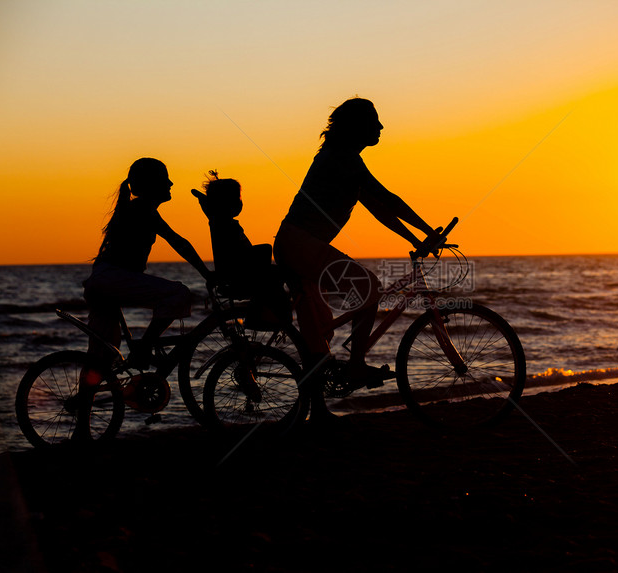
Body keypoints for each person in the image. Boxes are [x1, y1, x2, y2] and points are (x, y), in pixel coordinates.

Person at [273, 97, 439, 419]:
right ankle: (357, 365)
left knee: (318, 332)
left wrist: (416, 238)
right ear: (356, 126)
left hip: (296, 244)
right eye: (374, 120)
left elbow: (378, 208)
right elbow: (387, 197)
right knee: (369, 288)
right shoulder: (343, 158)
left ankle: (318, 411)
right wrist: (428, 229)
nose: (380, 126)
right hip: (301, 243)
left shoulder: (343, 159)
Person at [82, 157, 213, 370]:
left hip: (103, 280)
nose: (171, 184)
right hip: (112, 279)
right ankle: (144, 348)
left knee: (101, 358)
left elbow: (177, 242)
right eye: (165, 179)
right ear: (152, 185)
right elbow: (178, 242)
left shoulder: (139, 209)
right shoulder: (143, 209)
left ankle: (83, 401)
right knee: (179, 294)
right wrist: (207, 274)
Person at [192, 171, 290, 326]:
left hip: (237, 272)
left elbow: (209, 210)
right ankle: (269, 316)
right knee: (273, 263)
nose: (240, 203)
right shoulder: (223, 224)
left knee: (275, 270)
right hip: (240, 274)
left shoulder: (219, 222)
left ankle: (267, 311)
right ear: (225, 203)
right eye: (236, 199)